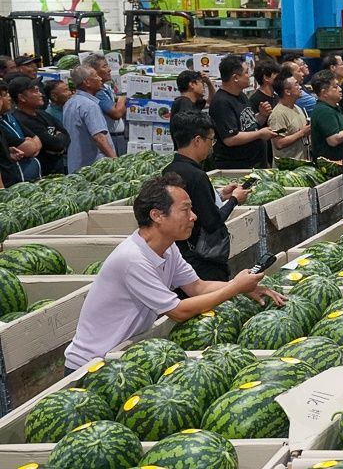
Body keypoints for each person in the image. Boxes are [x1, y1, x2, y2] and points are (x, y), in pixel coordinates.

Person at [63, 175, 283, 370]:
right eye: (185, 210)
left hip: (121, 356)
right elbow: (177, 311)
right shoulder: (132, 259)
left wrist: (244, 287)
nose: (193, 217)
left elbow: (198, 287)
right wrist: (234, 287)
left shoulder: (168, 248)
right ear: (157, 216)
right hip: (91, 366)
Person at [166, 112, 249, 281]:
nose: (212, 146)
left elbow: (192, 202)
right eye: (211, 140)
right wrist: (234, 200)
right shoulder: (197, 176)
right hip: (201, 261)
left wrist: (220, 195)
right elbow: (212, 222)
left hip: (178, 254)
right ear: (197, 140)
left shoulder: (168, 170)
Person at [210, 56, 274, 170]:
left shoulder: (241, 95)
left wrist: (262, 115)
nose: (249, 76)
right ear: (235, 78)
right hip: (237, 166)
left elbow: (248, 124)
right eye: (246, 72)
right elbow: (230, 139)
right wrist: (260, 134)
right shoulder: (221, 103)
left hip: (256, 163)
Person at [10, 76, 67, 176]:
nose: (41, 94)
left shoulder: (42, 113)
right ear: (22, 97)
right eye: (35, 91)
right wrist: (58, 136)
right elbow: (56, 144)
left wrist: (59, 140)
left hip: (58, 169)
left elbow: (65, 134)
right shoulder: (20, 120)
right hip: (43, 175)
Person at [63, 65, 115, 172]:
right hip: (92, 169)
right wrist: (116, 162)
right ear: (87, 82)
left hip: (76, 166)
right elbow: (99, 138)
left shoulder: (70, 102)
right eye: (96, 76)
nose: (100, 79)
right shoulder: (90, 106)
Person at [81, 54, 128, 156]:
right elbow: (116, 114)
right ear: (94, 71)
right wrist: (122, 99)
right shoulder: (98, 92)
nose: (109, 69)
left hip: (119, 137)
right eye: (104, 66)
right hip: (111, 138)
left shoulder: (106, 87)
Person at [0, 84, 42, 186]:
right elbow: (29, 148)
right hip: (10, 184)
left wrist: (8, 152)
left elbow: (37, 139)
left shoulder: (9, 117)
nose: (8, 97)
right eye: (4, 95)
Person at [267, 74, 313, 162]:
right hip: (287, 170)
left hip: (302, 164)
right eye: (296, 85)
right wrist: (302, 133)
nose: (300, 87)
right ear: (287, 92)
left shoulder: (297, 107)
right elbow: (279, 143)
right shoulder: (278, 114)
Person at [308, 70, 343, 162]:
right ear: (324, 93)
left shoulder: (333, 106)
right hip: (329, 169)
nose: (340, 89)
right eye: (335, 87)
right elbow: (333, 140)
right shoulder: (324, 111)